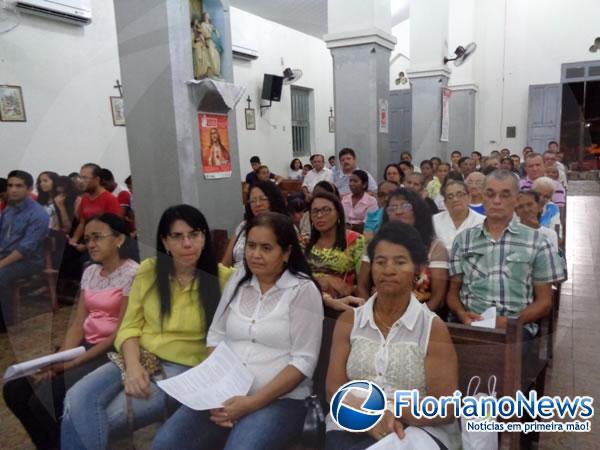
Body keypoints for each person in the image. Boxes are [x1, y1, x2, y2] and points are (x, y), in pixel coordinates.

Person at [61, 205, 228, 449]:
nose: (188, 243)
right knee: (76, 399)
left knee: (100, 420)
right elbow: (129, 327)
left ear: (204, 237)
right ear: (165, 241)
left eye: (194, 234)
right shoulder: (149, 270)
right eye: (177, 236)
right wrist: (133, 366)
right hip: (136, 355)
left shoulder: (223, 279)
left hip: (183, 368)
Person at [152, 212, 324, 450]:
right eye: (251, 246)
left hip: (281, 401)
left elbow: (304, 361)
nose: (255, 254)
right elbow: (216, 335)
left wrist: (251, 403)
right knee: (165, 444)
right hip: (225, 394)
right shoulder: (239, 279)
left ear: (286, 253)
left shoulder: (302, 290)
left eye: (266, 248)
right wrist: (216, 388)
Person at [3, 213, 138, 449]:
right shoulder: (91, 272)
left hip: (112, 352)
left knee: (43, 402)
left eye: (97, 237)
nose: (91, 244)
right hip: (83, 346)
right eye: (87, 239)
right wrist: (61, 357)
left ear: (119, 240)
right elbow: (78, 321)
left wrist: (71, 365)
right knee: (15, 389)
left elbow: (121, 332)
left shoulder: (132, 273)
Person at [325, 222, 460, 450]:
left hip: (418, 430)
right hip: (351, 422)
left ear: (417, 269)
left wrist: (387, 410)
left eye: (400, 262)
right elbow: (333, 390)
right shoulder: (350, 321)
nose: (388, 270)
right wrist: (367, 418)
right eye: (380, 262)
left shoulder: (431, 328)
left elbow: (444, 407)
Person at [447, 170, 564, 357]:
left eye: (505, 194)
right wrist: (462, 314)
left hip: (516, 327)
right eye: (490, 194)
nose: (497, 201)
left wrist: (509, 321)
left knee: (507, 360)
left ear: (517, 199)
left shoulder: (537, 242)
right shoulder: (464, 240)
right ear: (481, 198)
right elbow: (453, 294)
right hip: (469, 323)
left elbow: (544, 302)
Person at [357, 189, 448, 311]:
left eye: (405, 206)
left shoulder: (435, 248)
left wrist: (420, 320)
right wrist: (369, 313)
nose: (398, 212)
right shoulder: (374, 244)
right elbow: (362, 286)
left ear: (417, 210)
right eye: (392, 208)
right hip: (377, 313)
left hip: (421, 316)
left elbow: (438, 297)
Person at [0, 170, 50, 330]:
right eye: (10, 185)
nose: (13, 189)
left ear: (29, 189)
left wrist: (0, 264)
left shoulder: (38, 214)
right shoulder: (9, 209)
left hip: (28, 262)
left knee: (1, 275)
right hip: (5, 256)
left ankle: (5, 323)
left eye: (19, 186)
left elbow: (24, 249)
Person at [305, 191, 365, 312]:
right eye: (315, 211)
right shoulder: (303, 241)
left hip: (342, 306)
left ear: (338, 213)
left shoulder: (355, 241)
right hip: (306, 303)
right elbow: (294, 274)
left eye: (326, 210)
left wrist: (350, 288)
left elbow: (363, 284)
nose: (320, 215)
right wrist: (322, 280)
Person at [222, 181, 287, 268]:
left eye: (262, 199)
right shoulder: (243, 225)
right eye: (252, 200)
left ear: (273, 199)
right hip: (237, 278)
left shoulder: (285, 226)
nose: (257, 204)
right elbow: (226, 263)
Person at [69, 163, 122, 250]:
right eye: (80, 178)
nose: (81, 181)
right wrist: (74, 239)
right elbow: (82, 223)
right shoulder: (85, 198)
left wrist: (87, 247)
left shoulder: (110, 199)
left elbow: (115, 230)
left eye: (85, 178)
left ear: (97, 179)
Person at [433, 180, 485, 253]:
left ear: (469, 197)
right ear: (445, 203)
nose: (455, 199)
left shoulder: (482, 222)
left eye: (460, 195)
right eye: (450, 197)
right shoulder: (434, 221)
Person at [532, 176, 562, 241]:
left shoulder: (553, 208)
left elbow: (556, 233)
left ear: (551, 197)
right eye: (539, 194)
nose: (541, 198)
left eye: (546, 196)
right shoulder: (525, 206)